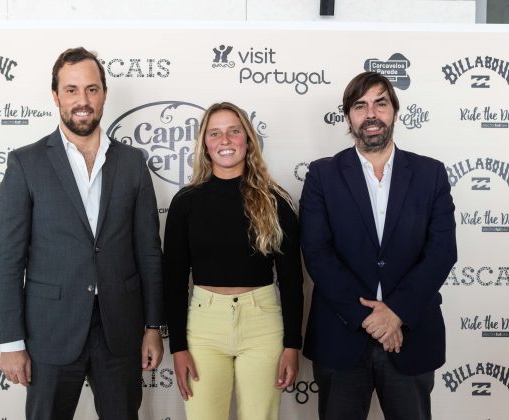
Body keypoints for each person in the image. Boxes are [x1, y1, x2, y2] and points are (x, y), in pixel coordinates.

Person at [0, 47, 164, 420]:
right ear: (55, 95)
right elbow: (7, 259)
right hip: (50, 331)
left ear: (103, 93)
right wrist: (11, 342)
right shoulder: (26, 163)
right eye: (71, 90)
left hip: (119, 328)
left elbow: (148, 252)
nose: (82, 100)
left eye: (91, 89)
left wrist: (152, 326)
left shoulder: (133, 163)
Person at [299, 71, 457, 420]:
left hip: (411, 334)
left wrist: (396, 312)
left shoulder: (430, 174)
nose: (371, 113)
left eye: (380, 103)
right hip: (341, 335)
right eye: (360, 105)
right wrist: (371, 318)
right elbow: (317, 253)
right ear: (348, 117)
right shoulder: (322, 176)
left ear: (394, 111)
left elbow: (442, 251)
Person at [163, 102, 304, 420]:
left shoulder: (275, 201)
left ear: (248, 139)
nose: (225, 140)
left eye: (233, 131)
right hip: (204, 326)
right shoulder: (186, 203)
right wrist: (178, 347)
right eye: (215, 133)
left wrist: (292, 345)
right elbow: (173, 281)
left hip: (263, 324)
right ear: (205, 144)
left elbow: (293, 280)